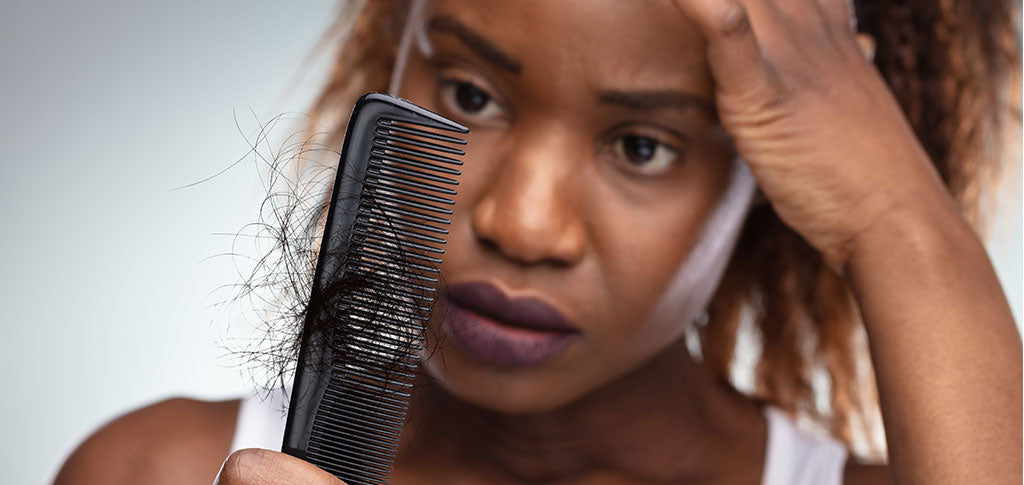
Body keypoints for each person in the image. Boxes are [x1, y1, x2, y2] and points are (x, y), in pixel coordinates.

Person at [54, 0, 1021, 484]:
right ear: (394, 47)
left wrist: (898, 220)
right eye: (470, 94)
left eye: (644, 145)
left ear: (783, 174)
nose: (521, 224)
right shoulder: (159, 468)